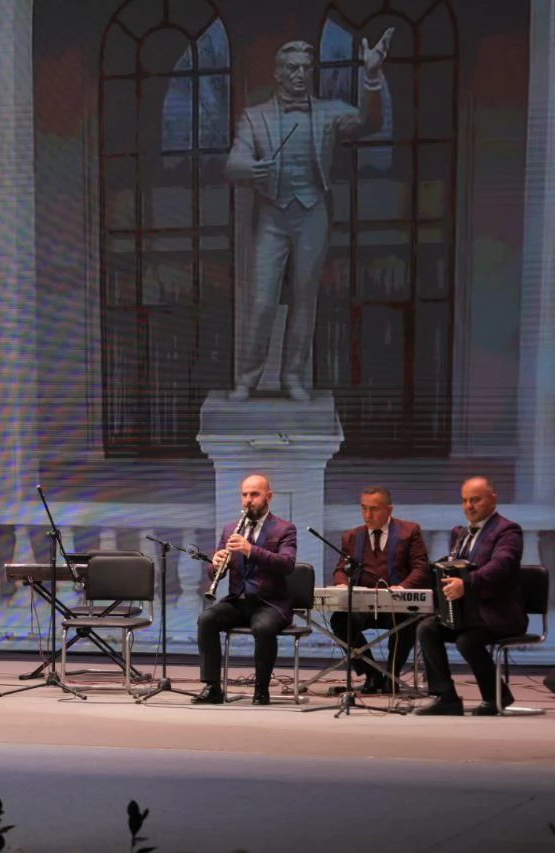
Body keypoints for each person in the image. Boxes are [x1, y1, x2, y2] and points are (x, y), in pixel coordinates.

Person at [226, 30, 393, 402]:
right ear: (278, 73)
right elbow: (233, 162)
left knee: (305, 298)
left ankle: (293, 376)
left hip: (312, 213)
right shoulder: (255, 117)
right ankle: (247, 378)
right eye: (292, 68)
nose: (299, 74)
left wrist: (371, 76)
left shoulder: (329, 113)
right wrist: (250, 169)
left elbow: (369, 122)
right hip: (272, 216)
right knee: (262, 303)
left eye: (305, 68)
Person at [415, 477, 525, 716]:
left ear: (493, 499)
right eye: (464, 501)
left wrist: (466, 584)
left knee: (467, 640)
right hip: (468, 614)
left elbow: (501, 565)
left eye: (475, 500)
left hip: (498, 614)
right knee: (427, 628)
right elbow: (457, 563)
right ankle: (446, 698)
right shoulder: (461, 532)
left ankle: (496, 696)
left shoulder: (508, 530)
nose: (469, 506)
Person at [194, 473, 297, 706]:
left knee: (263, 627)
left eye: (255, 494)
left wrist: (250, 550)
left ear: (268, 496)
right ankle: (212, 687)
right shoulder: (231, 528)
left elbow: (287, 564)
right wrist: (216, 564)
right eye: (244, 495)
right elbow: (214, 573)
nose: (248, 500)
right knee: (207, 619)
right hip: (238, 601)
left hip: (270, 603)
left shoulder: (284, 529)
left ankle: (261, 690)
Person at [329, 486, 430, 694]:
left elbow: (421, 568)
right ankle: (372, 673)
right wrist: (341, 583)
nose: (368, 514)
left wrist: (402, 587)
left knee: (407, 621)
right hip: (364, 606)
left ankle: (392, 676)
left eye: (374, 509)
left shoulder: (409, 531)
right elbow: (341, 569)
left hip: (398, 605)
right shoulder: (351, 536)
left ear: (389, 509)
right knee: (339, 620)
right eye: (364, 508)